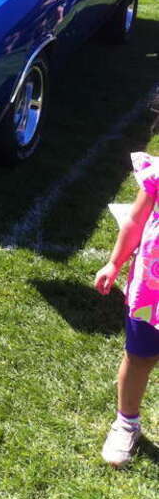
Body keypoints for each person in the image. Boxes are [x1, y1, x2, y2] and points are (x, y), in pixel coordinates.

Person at [94, 150, 158, 468]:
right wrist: (113, 263)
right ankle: (126, 423)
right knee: (138, 357)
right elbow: (135, 220)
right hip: (153, 293)